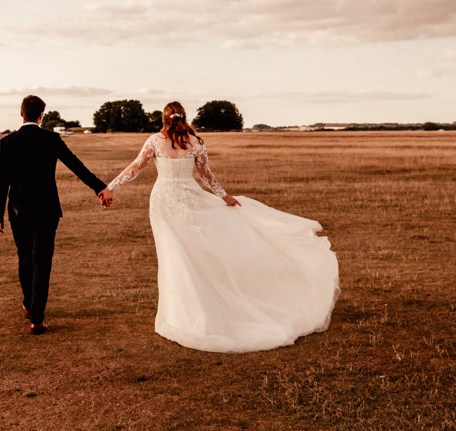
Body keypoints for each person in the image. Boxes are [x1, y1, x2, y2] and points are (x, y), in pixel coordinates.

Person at [105, 101, 340, 352]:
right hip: (188, 197)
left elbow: (136, 167)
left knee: (173, 255)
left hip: (163, 200)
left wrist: (110, 187)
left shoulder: (154, 140)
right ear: (184, 117)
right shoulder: (196, 142)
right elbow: (206, 175)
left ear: (164, 118)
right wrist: (223, 195)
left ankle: (181, 316)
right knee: (188, 253)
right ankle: (190, 312)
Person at [0, 95, 112, 335]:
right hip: (47, 211)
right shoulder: (51, 139)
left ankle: (29, 305)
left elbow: (2, 180)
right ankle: (36, 318)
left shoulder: (8, 142)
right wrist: (99, 186)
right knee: (41, 262)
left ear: (21, 113)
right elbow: (75, 165)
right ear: (41, 116)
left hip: (18, 210)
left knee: (25, 259)